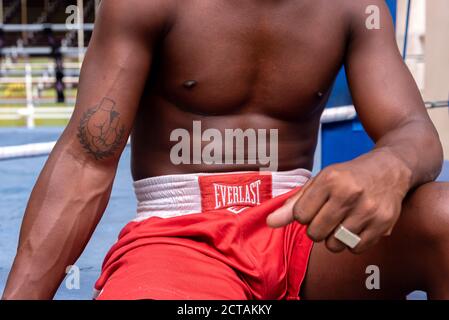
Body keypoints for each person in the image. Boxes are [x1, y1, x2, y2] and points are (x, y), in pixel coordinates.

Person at [3, 0, 449, 300]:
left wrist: (391, 164)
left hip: (305, 228)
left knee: (443, 219)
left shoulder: (353, 8)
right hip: (180, 237)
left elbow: (414, 130)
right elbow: (86, 160)